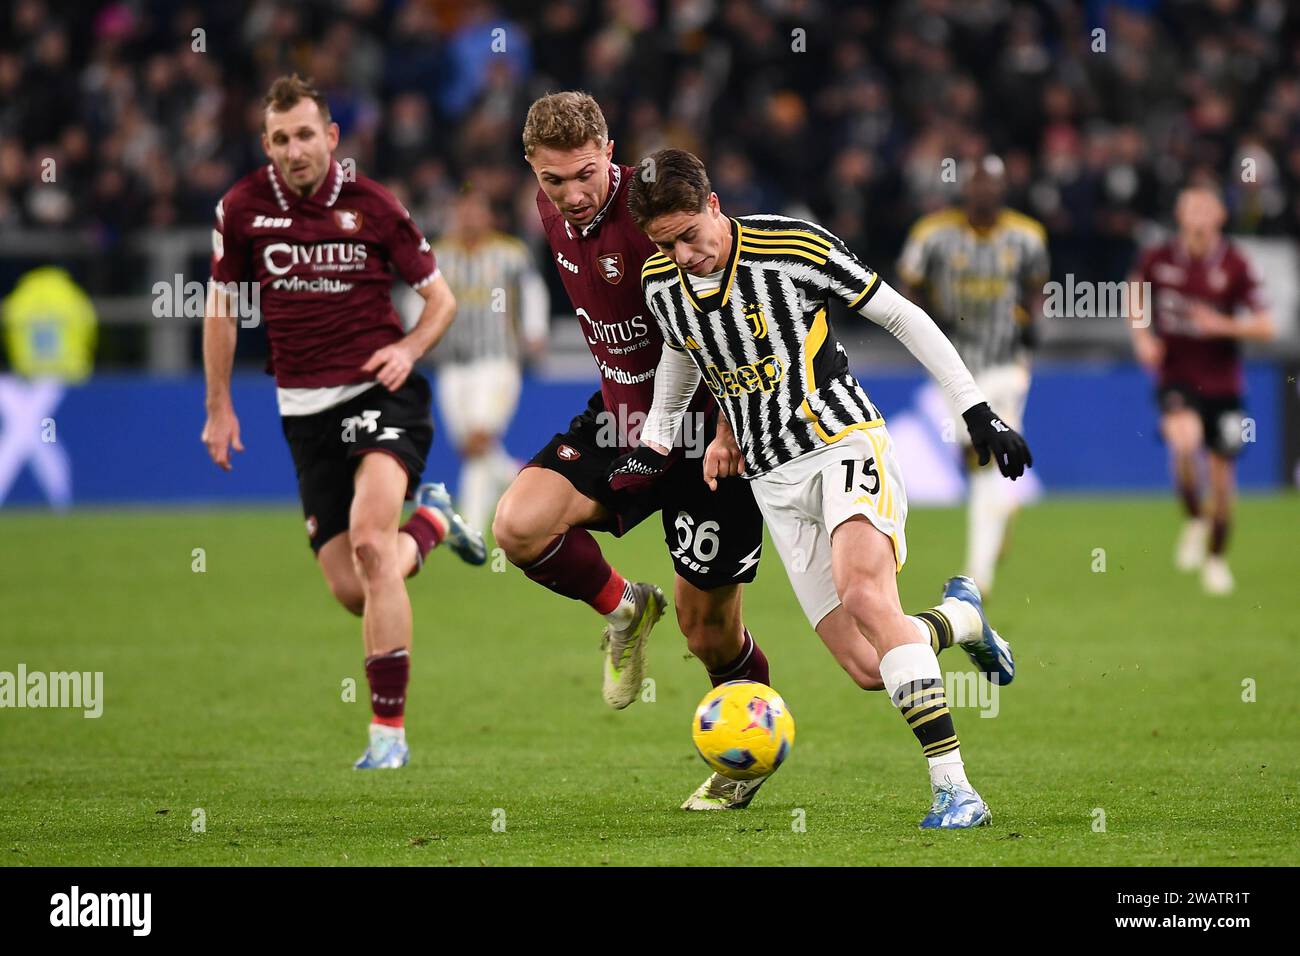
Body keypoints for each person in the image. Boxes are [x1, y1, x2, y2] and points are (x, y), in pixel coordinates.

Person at [616, 147, 1032, 828]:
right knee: (871, 665)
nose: (683, 254)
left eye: (691, 234)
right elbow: (682, 354)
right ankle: (960, 619)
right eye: (666, 243)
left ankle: (957, 791)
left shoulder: (792, 247)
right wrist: (659, 440)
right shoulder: (662, 281)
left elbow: (900, 315)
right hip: (772, 480)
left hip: (842, 440)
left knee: (868, 593)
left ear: (714, 204)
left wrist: (974, 407)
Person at [492, 91, 776, 810]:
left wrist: (728, 429)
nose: (571, 194)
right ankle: (624, 608)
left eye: (585, 174)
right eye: (552, 181)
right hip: (621, 424)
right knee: (518, 526)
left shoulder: (657, 219)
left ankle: (746, 760)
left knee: (709, 633)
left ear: (610, 153)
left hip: (705, 436)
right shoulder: (550, 217)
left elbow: (737, 314)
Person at [201, 75, 485, 770]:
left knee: (368, 543)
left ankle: (388, 734)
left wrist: (408, 348)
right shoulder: (240, 209)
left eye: (306, 134)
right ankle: (435, 524)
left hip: (380, 397)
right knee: (355, 590)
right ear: (265, 146)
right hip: (303, 412)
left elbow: (441, 300)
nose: (295, 149)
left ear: (331, 137)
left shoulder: (374, 205)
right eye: (280, 139)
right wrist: (217, 406)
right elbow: (220, 307)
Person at [897, 155, 1049, 596]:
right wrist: (925, 319)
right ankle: (1001, 511)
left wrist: (1031, 321)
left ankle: (978, 571)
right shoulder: (933, 235)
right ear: (965, 187)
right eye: (977, 183)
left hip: (1006, 361)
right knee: (975, 456)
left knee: (986, 454)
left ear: (1003, 189)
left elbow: (1037, 282)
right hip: (955, 363)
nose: (984, 191)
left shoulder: (1027, 235)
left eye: (993, 184)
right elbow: (909, 280)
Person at [1129, 185, 1274, 595]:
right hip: (1177, 377)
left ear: (1219, 217)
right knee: (1183, 441)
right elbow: (1134, 291)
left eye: (1204, 209)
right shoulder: (1159, 257)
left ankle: (1215, 559)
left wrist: (1222, 325)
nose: (1196, 216)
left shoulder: (1234, 263)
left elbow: (1267, 326)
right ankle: (1194, 517)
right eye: (1189, 207)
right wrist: (1142, 337)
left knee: (1224, 484)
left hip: (1224, 384)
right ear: (1179, 214)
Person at [426, 189, 549, 534]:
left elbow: (533, 291)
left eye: (475, 211)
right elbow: (418, 295)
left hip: (497, 361)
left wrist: (534, 330)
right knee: (472, 447)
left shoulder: (509, 253)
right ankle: (523, 479)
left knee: (480, 438)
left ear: (488, 215)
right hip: (452, 364)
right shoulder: (438, 256)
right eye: (462, 211)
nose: (469, 218)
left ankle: (471, 529)